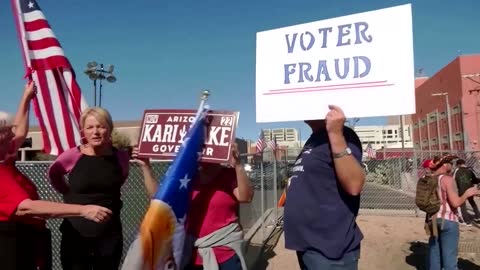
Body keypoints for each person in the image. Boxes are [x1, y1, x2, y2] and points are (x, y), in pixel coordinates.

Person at [0, 82, 112, 270]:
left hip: (28, 239)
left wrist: (26, 97)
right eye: (7, 131)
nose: (13, 134)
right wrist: (83, 210)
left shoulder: (6, 159)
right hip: (10, 243)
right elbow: (26, 208)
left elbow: (19, 129)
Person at [132, 142, 253, 270]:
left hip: (226, 253)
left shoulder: (228, 175)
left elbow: (245, 197)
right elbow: (160, 199)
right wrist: (146, 166)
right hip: (192, 254)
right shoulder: (187, 177)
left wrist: (238, 165)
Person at [283, 105, 366, 270]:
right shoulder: (314, 138)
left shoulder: (344, 135)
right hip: (309, 246)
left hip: (330, 252)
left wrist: (335, 133)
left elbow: (354, 185)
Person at [47, 107, 130, 270]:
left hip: (109, 234)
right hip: (76, 234)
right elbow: (53, 174)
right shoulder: (72, 155)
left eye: (101, 126)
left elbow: (121, 179)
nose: (96, 132)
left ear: (110, 129)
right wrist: (66, 191)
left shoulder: (120, 157)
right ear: (83, 131)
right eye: (90, 127)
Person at [426, 155, 480, 270]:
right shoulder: (447, 180)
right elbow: (455, 203)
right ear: (444, 165)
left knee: (435, 255)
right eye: (450, 162)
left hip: (432, 220)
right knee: (449, 257)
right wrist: (467, 193)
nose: (452, 164)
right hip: (448, 220)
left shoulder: (429, 179)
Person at [453, 158, 480, 225]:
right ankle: (478, 216)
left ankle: (467, 221)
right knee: (472, 202)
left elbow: (453, 180)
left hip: (461, 190)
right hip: (470, 189)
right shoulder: (469, 170)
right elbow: (475, 180)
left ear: (459, 165)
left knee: (462, 205)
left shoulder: (457, 170)